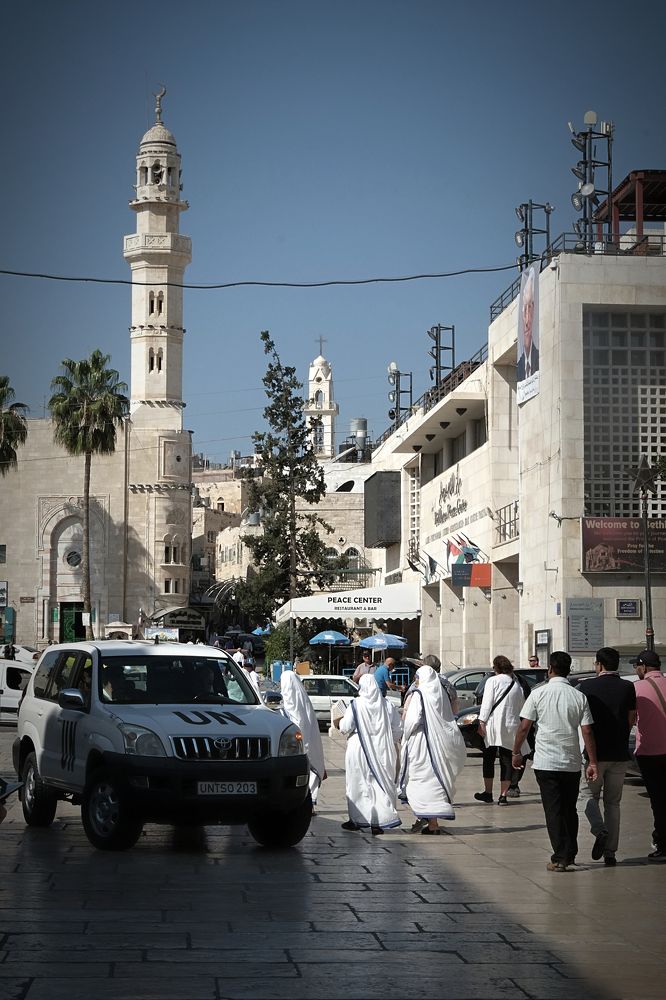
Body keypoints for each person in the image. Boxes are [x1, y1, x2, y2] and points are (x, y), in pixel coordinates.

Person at [512, 650, 597, 872]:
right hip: (571, 761)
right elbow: (587, 731)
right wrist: (592, 762)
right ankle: (570, 853)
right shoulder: (578, 696)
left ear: (550, 669)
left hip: (546, 761)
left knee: (554, 810)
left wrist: (516, 751)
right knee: (569, 808)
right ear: (569, 670)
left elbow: (524, 727)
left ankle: (560, 857)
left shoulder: (538, 694)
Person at [576, 647, 636, 866]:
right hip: (619, 753)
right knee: (613, 803)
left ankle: (599, 829)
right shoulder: (627, 687)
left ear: (599, 665)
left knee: (586, 796)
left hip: (595, 754)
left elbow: (584, 723)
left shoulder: (587, 687)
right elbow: (631, 717)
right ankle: (610, 852)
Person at [401, 665, 466, 835]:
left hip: (422, 743)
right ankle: (432, 822)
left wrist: (405, 736)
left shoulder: (419, 694)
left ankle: (429, 819)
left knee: (421, 779)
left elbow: (412, 720)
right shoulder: (442, 693)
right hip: (441, 742)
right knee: (436, 780)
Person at [339, 674, 402, 835]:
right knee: (380, 784)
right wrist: (386, 740)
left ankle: (358, 819)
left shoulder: (356, 704)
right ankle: (379, 822)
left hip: (359, 748)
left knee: (358, 784)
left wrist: (339, 722)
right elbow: (398, 729)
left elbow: (345, 727)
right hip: (383, 749)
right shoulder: (387, 705)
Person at [475, 655, 529, 806]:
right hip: (511, 725)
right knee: (506, 760)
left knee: (489, 758)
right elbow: (522, 706)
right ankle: (503, 795)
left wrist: (481, 721)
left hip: (493, 725)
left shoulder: (492, 681)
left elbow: (487, 703)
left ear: (496, 668)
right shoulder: (516, 684)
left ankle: (488, 792)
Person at [632, 649, 666, 862]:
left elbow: (630, 718)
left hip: (650, 752)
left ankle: (663, 843)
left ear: (643, 667)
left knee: (658, 800)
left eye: (636, 666)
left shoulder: (637, 688)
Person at [280, 670, 327, 812]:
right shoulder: (301, 701)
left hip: (300, 746)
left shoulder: (293, 703)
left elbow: (299, 724)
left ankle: (307, 805)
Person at [517, 265, 539, 380]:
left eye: (529, 308)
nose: (526, 321)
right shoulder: (519, 364)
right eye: (524, 309)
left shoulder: (540, 357)